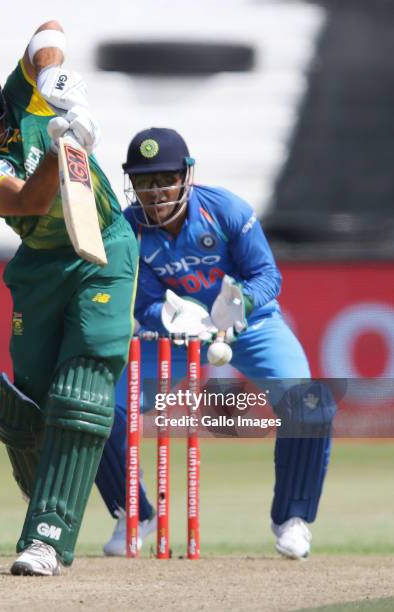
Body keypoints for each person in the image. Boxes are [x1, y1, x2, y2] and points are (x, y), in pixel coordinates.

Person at [0, 21, 141, 576]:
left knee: (82, 388)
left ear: (0, 100)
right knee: (25, 406)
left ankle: (47, 536)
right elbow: (29, 200)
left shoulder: (23, 94)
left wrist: (56, 83)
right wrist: (62, 145)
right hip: (41, 266)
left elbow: (48, 30)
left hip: (101, 247)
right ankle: (46, 484)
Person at [109, 126, 335, 560]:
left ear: (186, 175)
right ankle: (133, 514)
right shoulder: (128, 229)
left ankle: (292, 518)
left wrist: (241, 302)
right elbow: (141, 303)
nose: (154, 193)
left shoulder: (226, 209)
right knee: (101, 410)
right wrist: (172, 318)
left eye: (164, 180)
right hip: (174, 336)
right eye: (143, 182)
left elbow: (268, 276)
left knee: (310, 403)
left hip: (248, 327)